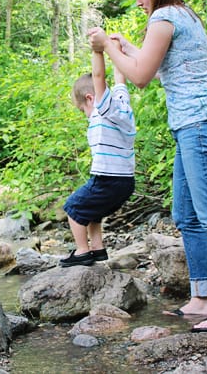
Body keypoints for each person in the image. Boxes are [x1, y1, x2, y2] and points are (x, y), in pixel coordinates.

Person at [88, 0, 207, 334]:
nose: (138, 2)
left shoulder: (163, 18)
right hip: (192, 126)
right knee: (186, 215)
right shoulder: (182, 14)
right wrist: (127, 46)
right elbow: (159, 62)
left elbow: (142, 76)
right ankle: (201, 298)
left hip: (201, 124)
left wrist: (106, 47)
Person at [59, 50, 136, 267]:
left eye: (82, 108)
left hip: (107, 178)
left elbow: (99, 77)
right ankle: (98, 248)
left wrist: (98, 50)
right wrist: (118, 54)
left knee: (73, 208)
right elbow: (120, 79)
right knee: (94, 212)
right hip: (126, 181)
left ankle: (82, 251)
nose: (84, 113)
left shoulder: (103, 108)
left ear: (90, 99)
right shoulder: (122, 104)